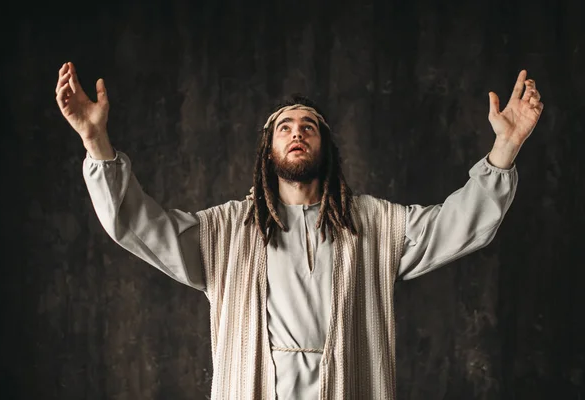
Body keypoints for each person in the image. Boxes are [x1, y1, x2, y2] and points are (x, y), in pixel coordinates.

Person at [55, 61, 543, 399]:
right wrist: (96, 141)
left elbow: (457, 226)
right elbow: (139, 224)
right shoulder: (228, 232)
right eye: (284, 127)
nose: (296, 133)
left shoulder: (371, 224)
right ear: (267, 150)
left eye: (308, 126)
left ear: (325, 148)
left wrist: (506, 148)